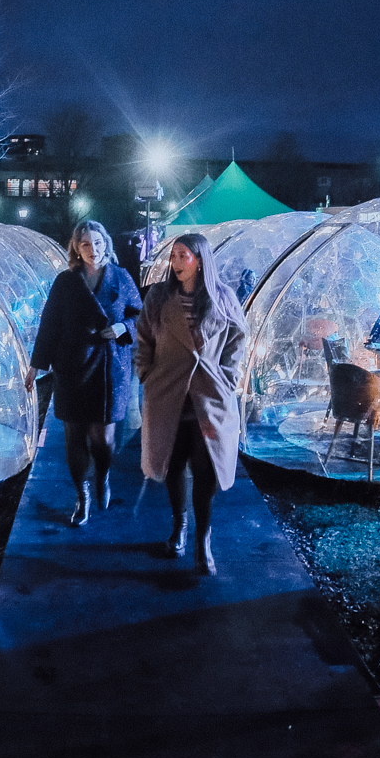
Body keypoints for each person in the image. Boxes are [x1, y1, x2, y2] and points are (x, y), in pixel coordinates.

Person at [136, 230, 248, 575]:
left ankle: (203, 540)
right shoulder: (158, 296)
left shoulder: (222, 297)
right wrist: (146, 374)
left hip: (209, 398)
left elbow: (237, 341)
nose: (175, 262)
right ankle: (178, 525)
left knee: (206, 472)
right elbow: (143, 338)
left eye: (182, 256)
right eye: (173, 256)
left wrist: (228, 378)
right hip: (169, 396)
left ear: (199, 260)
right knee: (172, 465)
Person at [30, 220, 141, 527]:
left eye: (99, 243)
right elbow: (49, 323)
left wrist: (121, 327)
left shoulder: (121, 277)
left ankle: (103, 476)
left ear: (107, 243)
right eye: (86, 244)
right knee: (74, 436)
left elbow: (139, 313)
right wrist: (36, 364)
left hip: (110, 367)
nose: (94, 250)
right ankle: (82, 495)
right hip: (72, 366)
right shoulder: (66, 281)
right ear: (77, 249)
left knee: (102, 439)